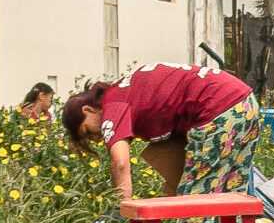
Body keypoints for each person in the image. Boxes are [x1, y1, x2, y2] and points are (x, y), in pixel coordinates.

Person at [62, 63, 261, 199]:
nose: (95, 139)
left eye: (88, 131)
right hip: (244, 101)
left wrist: (123, 208)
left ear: (88, 110)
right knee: (232, 194)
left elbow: (120, 163)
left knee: (196, 202)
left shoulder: (112, 103)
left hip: (217, 108)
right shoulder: (127, 92)